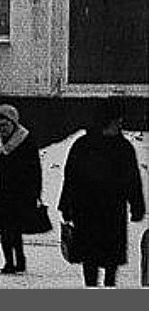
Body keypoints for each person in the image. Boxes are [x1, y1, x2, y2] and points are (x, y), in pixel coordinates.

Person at [58, 97, 146, 287]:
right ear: (108, 120)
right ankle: (92, 290)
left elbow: (132, 179)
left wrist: (137, 205)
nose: (120, 124)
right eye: (117, 120)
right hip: (87, 210)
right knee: (90, 259)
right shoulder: (84, 145)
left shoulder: (122, 147)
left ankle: (108, 291)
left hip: (112, 210)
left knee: (110, 260)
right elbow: (71, 176)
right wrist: (66, 205)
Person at [0, 103, 42, 275]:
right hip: (2, 192)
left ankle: (19, 261)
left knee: (16, 228)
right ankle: (9, 263)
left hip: (22, 191)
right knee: (5, 229)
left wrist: (35, 192)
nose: (2, 128)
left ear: (14, 123)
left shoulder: (25, 140)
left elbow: (35, 168)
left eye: (5, 124)